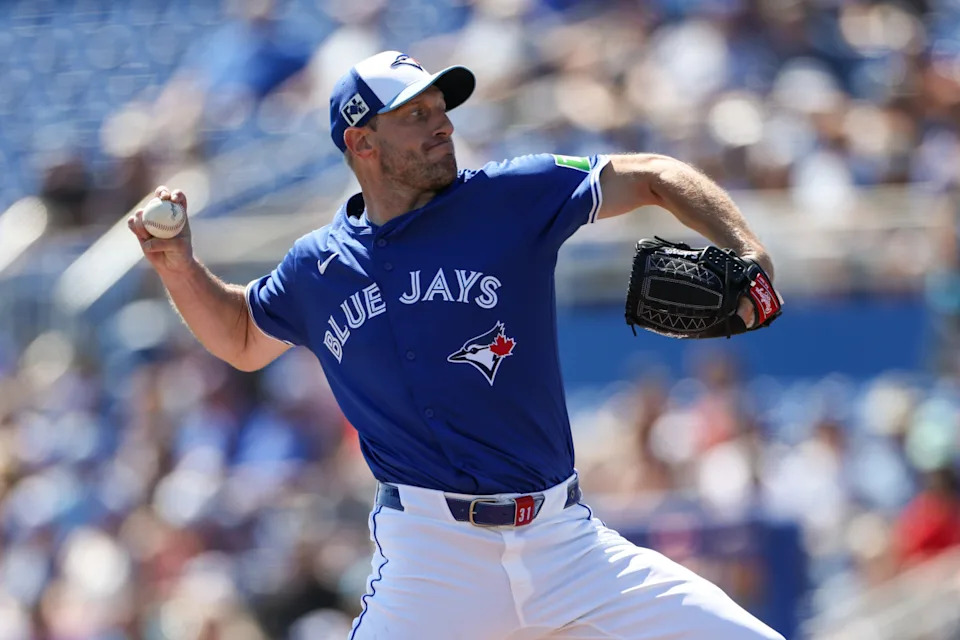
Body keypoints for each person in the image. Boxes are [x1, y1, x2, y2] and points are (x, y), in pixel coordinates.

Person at [129, 50, 784, 640]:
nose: (442, 125)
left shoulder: (508, 197)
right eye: (415, 115)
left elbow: (651, 174)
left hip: (565, 545)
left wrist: (747, 249)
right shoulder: (318, 267)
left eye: (441, 109)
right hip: (432, 564)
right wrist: (178, 266)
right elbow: (242, 336)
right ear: (362, 141)